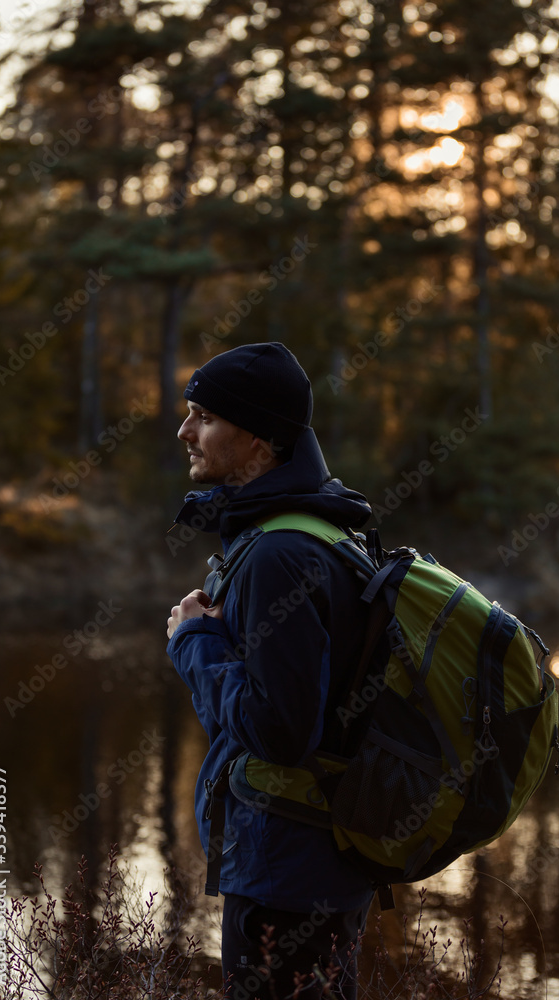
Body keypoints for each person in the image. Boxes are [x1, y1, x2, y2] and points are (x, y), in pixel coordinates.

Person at [166, 342, 375, 1000]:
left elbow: (281, 730)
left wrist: (192, 641)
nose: (184, 431)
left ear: (258, 437)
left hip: (287, 872)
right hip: (316, 863)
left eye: (203, 415)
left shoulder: (278, 555)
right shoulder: (319, 528)